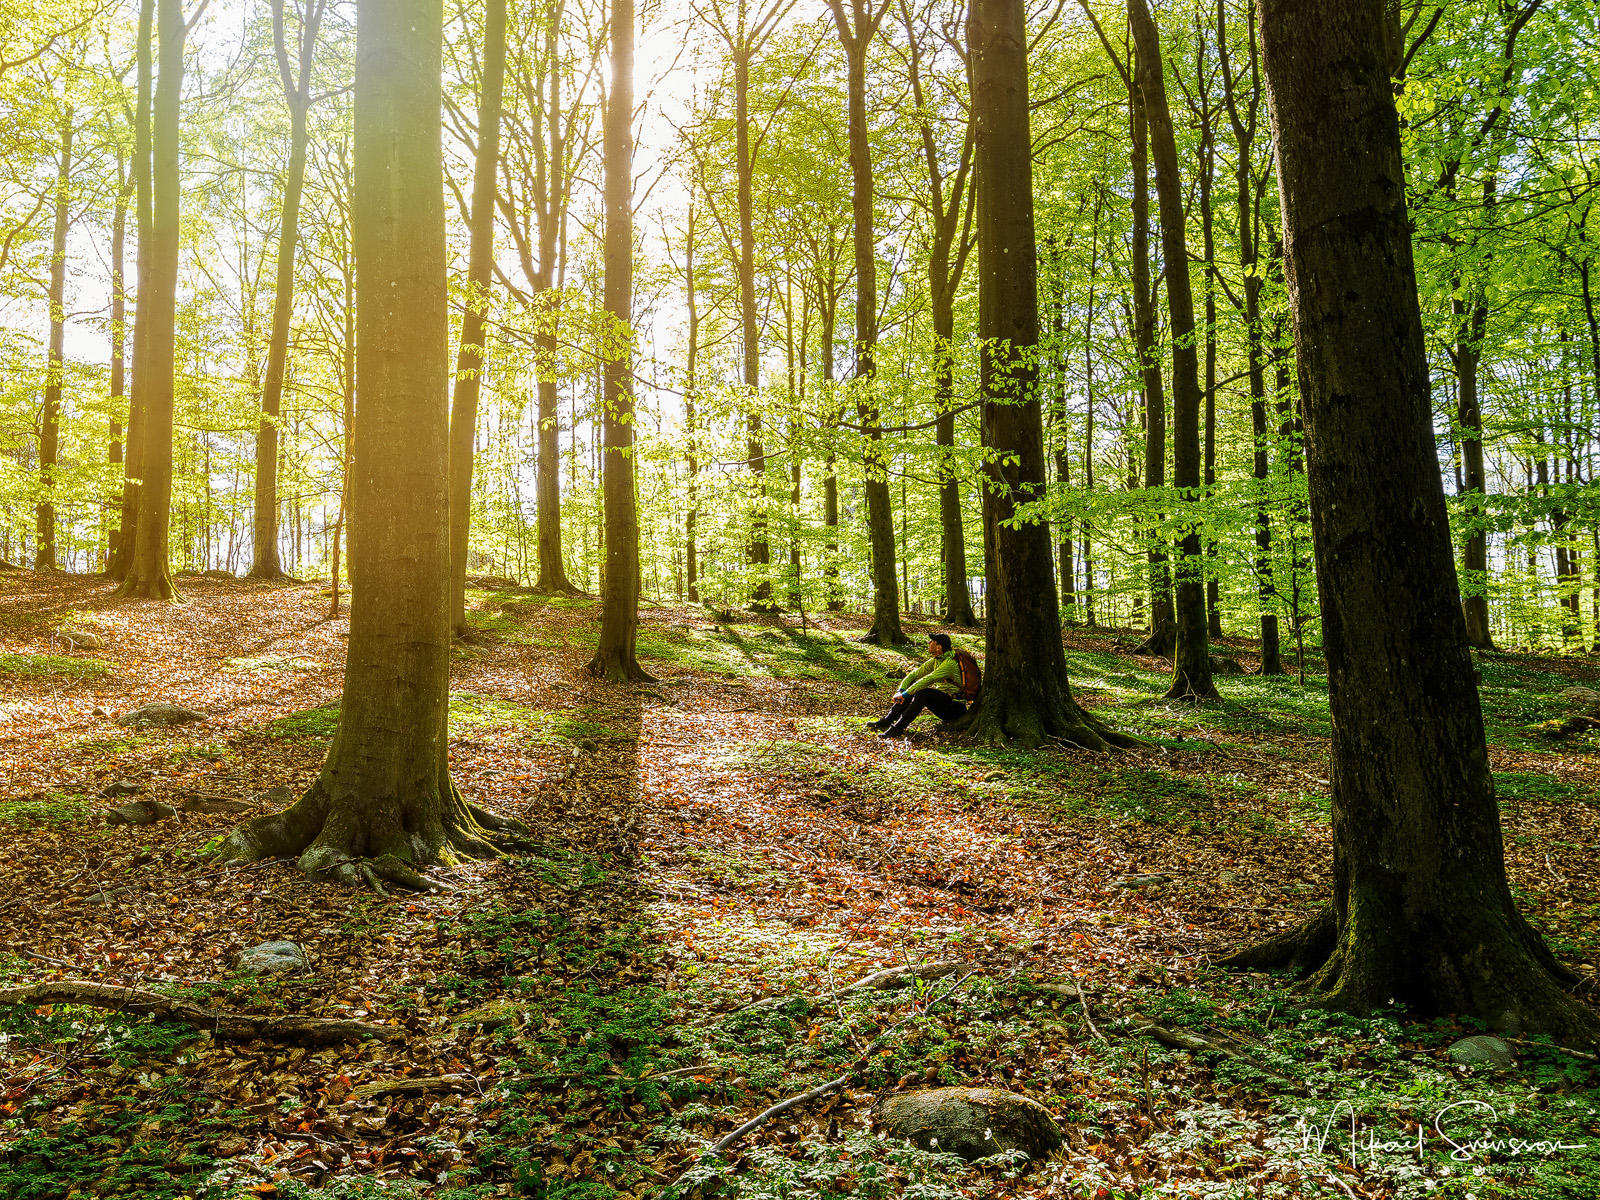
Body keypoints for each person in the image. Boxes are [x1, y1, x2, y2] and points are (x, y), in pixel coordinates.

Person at [867, 633, 968, 738]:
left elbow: (928, 680)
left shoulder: (949, 664)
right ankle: (888, 720)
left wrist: (906, 694)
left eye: (932, 642)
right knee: (914, 687)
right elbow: (914, 675)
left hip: (955, 708)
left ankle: (898, 728)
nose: (929, 643)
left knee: (923, 692)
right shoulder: (937, 660)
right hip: (944, 701)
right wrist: (901, 690)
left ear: (939, 647)